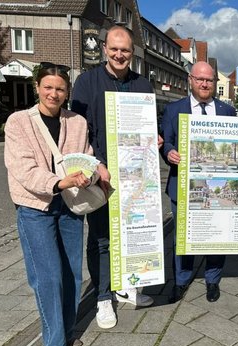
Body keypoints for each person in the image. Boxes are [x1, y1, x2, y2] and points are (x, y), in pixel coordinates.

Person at [4, 62, 93, 346]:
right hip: (34, 206)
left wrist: (91, 175)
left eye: (60, 88)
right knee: (48, 277)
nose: (54, 94)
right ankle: (55, 343)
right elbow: (23, 170)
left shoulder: (77, 122)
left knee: (71, 273)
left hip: (70, 204)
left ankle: (68, 330)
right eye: (48, 87)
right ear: (37, 87)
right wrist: (60, 181)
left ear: (67, 91)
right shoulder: (18, 122)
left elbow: (87, 157)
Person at [71, 25, 154, 330]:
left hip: (135, 177)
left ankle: (127, 286)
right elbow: (77, 132)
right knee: (102, 238)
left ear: (133, 53)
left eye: (126, 50)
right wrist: (97, 163)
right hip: (101, 176)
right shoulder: (86, 82)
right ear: (105, 48)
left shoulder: (143, 85)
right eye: (114, 49)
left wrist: (153, 141)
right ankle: (103, 297)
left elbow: (146, 130)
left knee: (134, 233)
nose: (120, 55)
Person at [161, 61, 237, 304]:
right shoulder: (174, 109)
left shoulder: (228, 111)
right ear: (190, 80)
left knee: (217, 234)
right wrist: (169, 153)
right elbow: (167, 141)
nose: (205, 84)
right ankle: (181, 280)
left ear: (214, 83)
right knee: (182, 236)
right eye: (200, 79)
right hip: (183, 185)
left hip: (217, 184)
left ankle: (213, 279)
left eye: (209, 80)